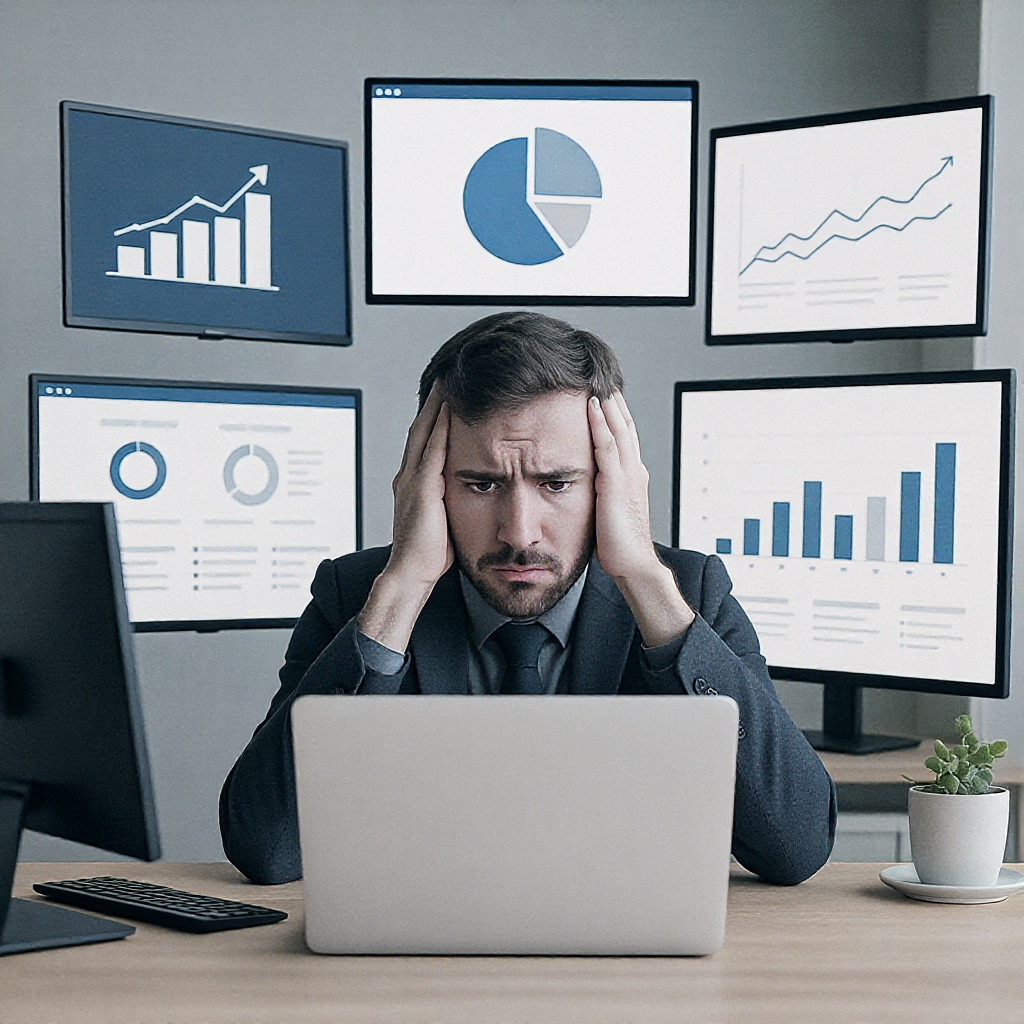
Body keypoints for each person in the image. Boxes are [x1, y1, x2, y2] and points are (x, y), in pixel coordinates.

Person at [220, 311, 837, 886]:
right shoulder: (358, 599)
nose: (519, 532)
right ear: (427, 486)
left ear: (610, 481)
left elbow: (795, 844)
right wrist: (402, 589)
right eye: (481, 483)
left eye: (557, 483)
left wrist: (646, 582)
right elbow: (267, 848)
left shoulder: (687, 595)